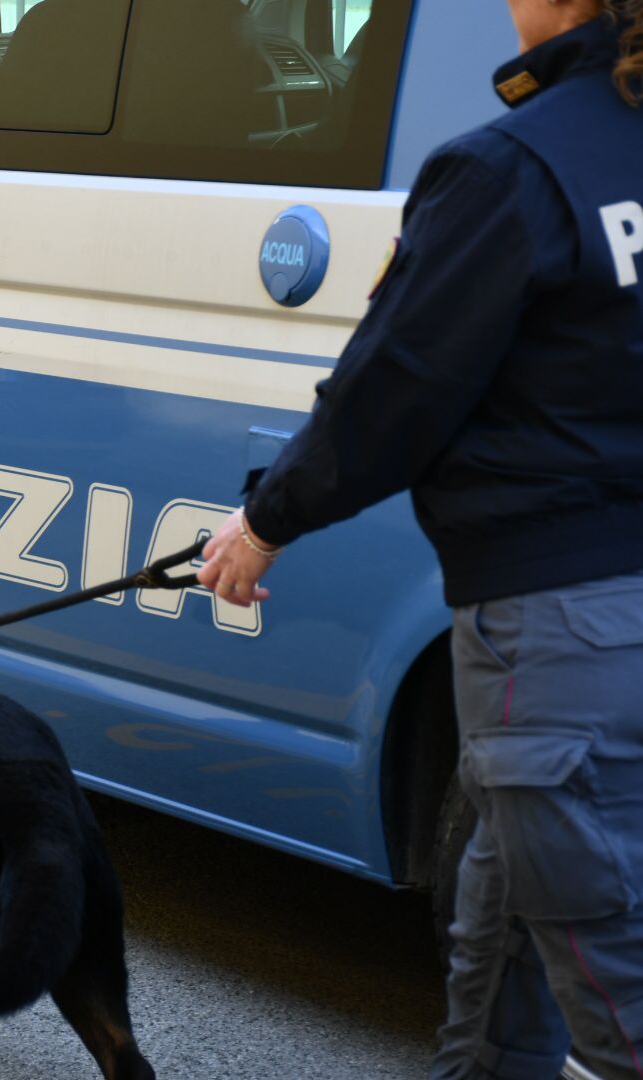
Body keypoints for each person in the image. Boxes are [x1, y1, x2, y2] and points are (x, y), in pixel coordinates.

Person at [195, 1, 643, 1076]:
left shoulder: (514, 167)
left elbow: (392, 391)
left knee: (615, 989)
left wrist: (263, 523)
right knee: (498, 941)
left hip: (561, 634)